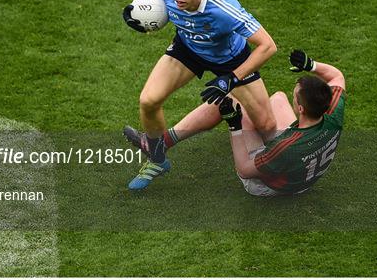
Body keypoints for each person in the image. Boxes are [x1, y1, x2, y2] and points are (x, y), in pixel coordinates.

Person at [122, 0, 277, 190]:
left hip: (230, 60)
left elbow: (268, 46)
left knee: (267, 125)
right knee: (148, 100)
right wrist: (138, 13)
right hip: (188, 49)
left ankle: (280, 168)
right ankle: (157, 158)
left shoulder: (225, 9)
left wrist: (231, 79)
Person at [126, 49, 346, 194]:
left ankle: (161, 144)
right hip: (304, 166)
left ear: (300, 108)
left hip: (272, 186)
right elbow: (337, 77)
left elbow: (244, 170)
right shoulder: (332, 113)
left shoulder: (285, 148)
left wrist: (234, 125)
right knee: (277, 98)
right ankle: (160, 145)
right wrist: (311, 64)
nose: (293, 95)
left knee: (235, 104)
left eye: (295, 95)